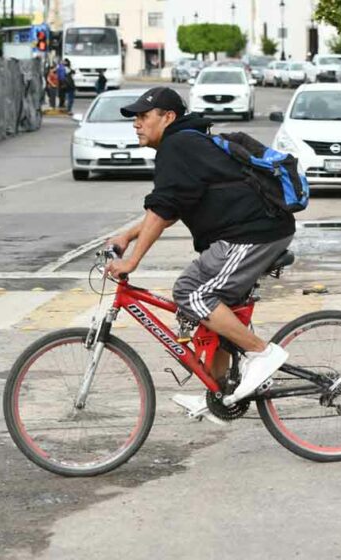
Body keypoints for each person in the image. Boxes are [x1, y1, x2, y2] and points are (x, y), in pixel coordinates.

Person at [105, 87, 295, 424]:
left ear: (168, 118)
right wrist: (127, 235)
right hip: (250, 232)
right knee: (216, 308)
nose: (136, 124)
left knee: (192, 291)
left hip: (252, 234)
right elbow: (173, 207)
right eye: (134, 118)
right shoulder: (186, 143)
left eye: (143, 116)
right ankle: (221, 392)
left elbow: (163, 209)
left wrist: (131, 261)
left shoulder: (177, 146)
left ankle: (262, 353)